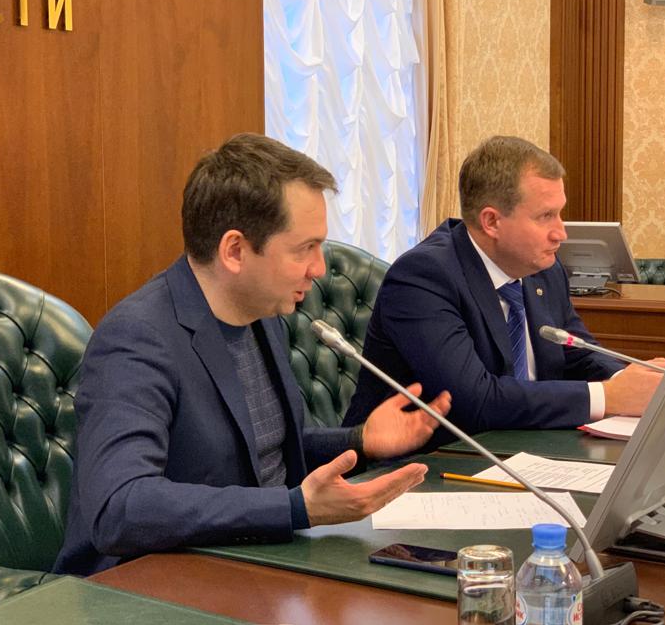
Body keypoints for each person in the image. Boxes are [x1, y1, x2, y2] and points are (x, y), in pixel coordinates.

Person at [55, 133, 450, 576]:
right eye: (305, 248)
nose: (319, 268)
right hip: (147, 584)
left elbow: (256, 450)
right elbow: (120, 506)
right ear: (235, 251)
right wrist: (294, 509)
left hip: (258, 562)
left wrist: (360, 440)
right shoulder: (138, 337)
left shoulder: (261, 315)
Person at [344, 135, 664, 449]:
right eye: (546, 216)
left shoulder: (544, 270)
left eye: (559, 213)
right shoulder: (423, 277)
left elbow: (576, 351)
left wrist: (635, 380)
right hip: (426, 462)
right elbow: (474, 400)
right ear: (492, 221)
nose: (561, 233)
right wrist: (609, 396)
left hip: (525, 450)